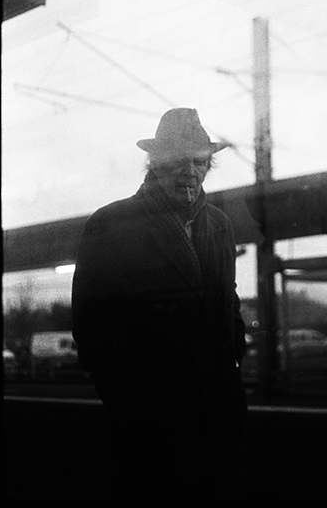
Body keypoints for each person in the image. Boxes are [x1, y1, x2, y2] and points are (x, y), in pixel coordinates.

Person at [71, 108, 248, 500]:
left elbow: (228, 304)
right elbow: (91, 324)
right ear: (155, 163)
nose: (190, 172)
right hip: (148, 417)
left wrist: (232, 367)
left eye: (199, 162)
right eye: (178, 161)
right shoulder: (111, 223)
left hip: (217, 411)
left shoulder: (220, 225)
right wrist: (128, 399)